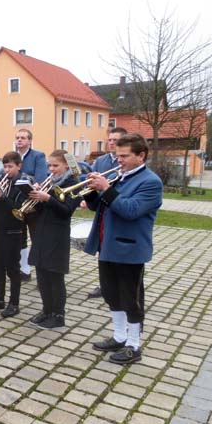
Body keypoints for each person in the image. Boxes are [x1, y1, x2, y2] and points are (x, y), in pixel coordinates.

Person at [85, 133, 162, 364]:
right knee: (111, 295)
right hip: (107, 246)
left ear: (141, 155)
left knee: (131, 299)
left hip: (129, 250)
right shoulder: (121, 177)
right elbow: (99, 206)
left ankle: (134, 346)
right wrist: (92, 191)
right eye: (118, 155)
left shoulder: (150, 181)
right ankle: (119, 336)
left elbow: (130, 210)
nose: (119, 160)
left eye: (125, 156)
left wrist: (106, 188)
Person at [27, 150, 81, 329]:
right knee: (41, 273)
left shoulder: (73, 183)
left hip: (58, 234)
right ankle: (46, 310)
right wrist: (36, 197)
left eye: (55, 165)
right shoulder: (49, 182)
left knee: (54, 276)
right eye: (49, 165)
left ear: (66, 165)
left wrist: (48, 198)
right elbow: (43, 209)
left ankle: (58, 315)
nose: (51, 169)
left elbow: (66, 211)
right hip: (42, 232)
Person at [0, 152, 31, 318]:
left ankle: (14, 303)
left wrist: (2, 197)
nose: (7, 170)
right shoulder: (2, 181)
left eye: (10, 166)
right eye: (5, 166)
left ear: (19, 166)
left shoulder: (22, 185)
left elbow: (18, 208)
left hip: (14, 231)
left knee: (13, 269)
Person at [87, 126, 127, 298]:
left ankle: (120, 285)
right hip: (102, 209)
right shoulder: (101, 161)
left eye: (115, 140)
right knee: (102, 248)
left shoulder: (125, 161)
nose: (111, 143)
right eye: (109, 140)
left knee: (118, 251)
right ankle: (104, 284)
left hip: (119, 208)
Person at [14, 129, 48, 281]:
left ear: (30, 141)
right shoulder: (13, 156)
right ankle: (25, 270)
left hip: (33, 202)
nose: (19, 140)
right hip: (17, 202)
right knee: (20, 237)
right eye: (17, 138)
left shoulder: (37, 156)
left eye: (23, 138)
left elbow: (40, 179)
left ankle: (42, 273)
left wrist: (22, 177)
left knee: (37, 237)